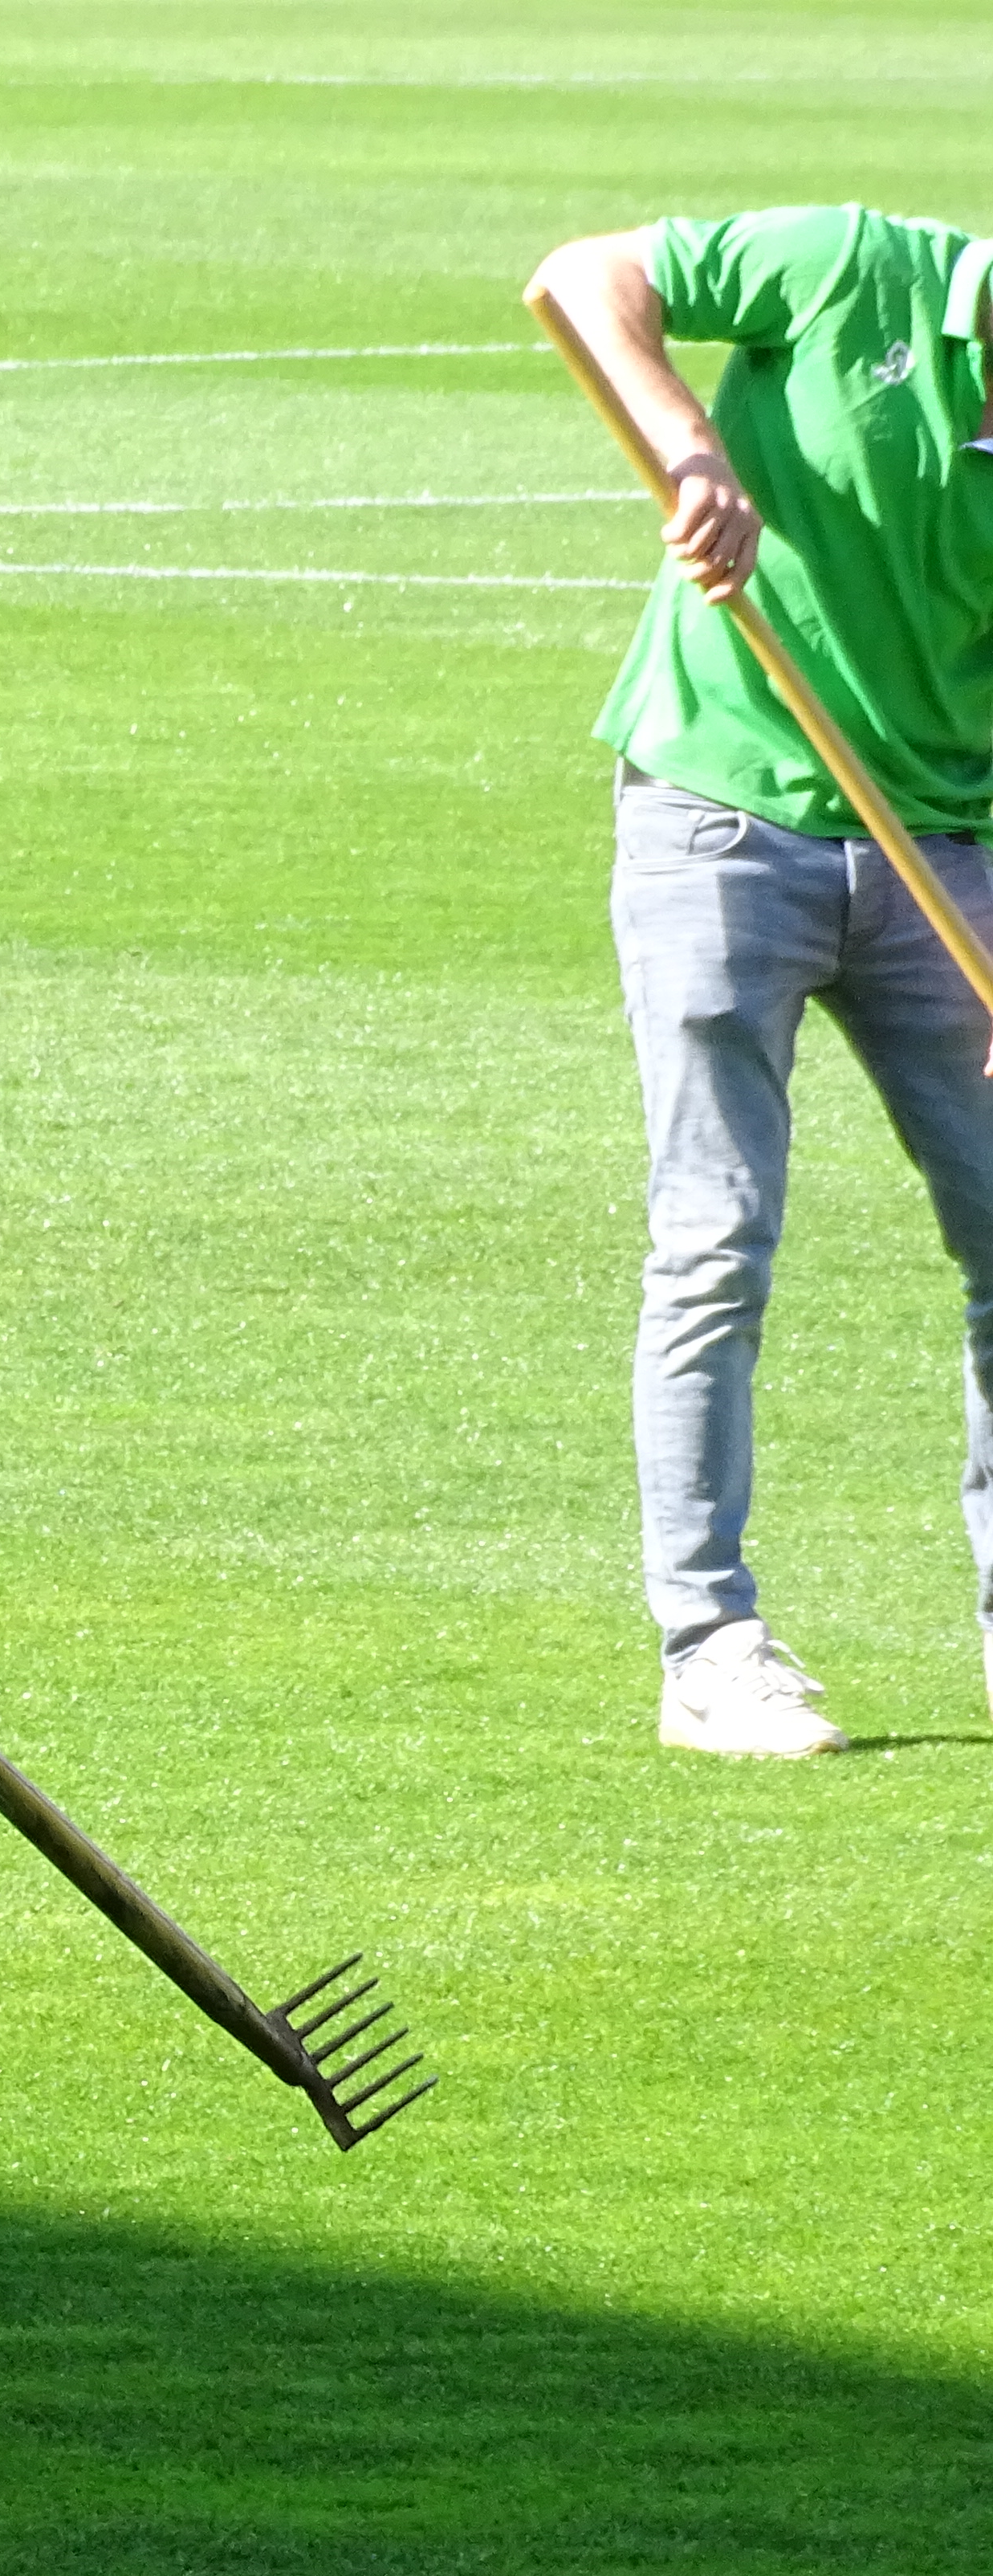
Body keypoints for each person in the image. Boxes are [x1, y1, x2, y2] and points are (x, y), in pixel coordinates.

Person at [532, 209, 993, 1756]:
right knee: (717, 1238)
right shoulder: (855, 265)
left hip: (951, 849)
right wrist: (692, 452)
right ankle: (711, 1645)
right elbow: (580, 279)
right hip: (720, 818)